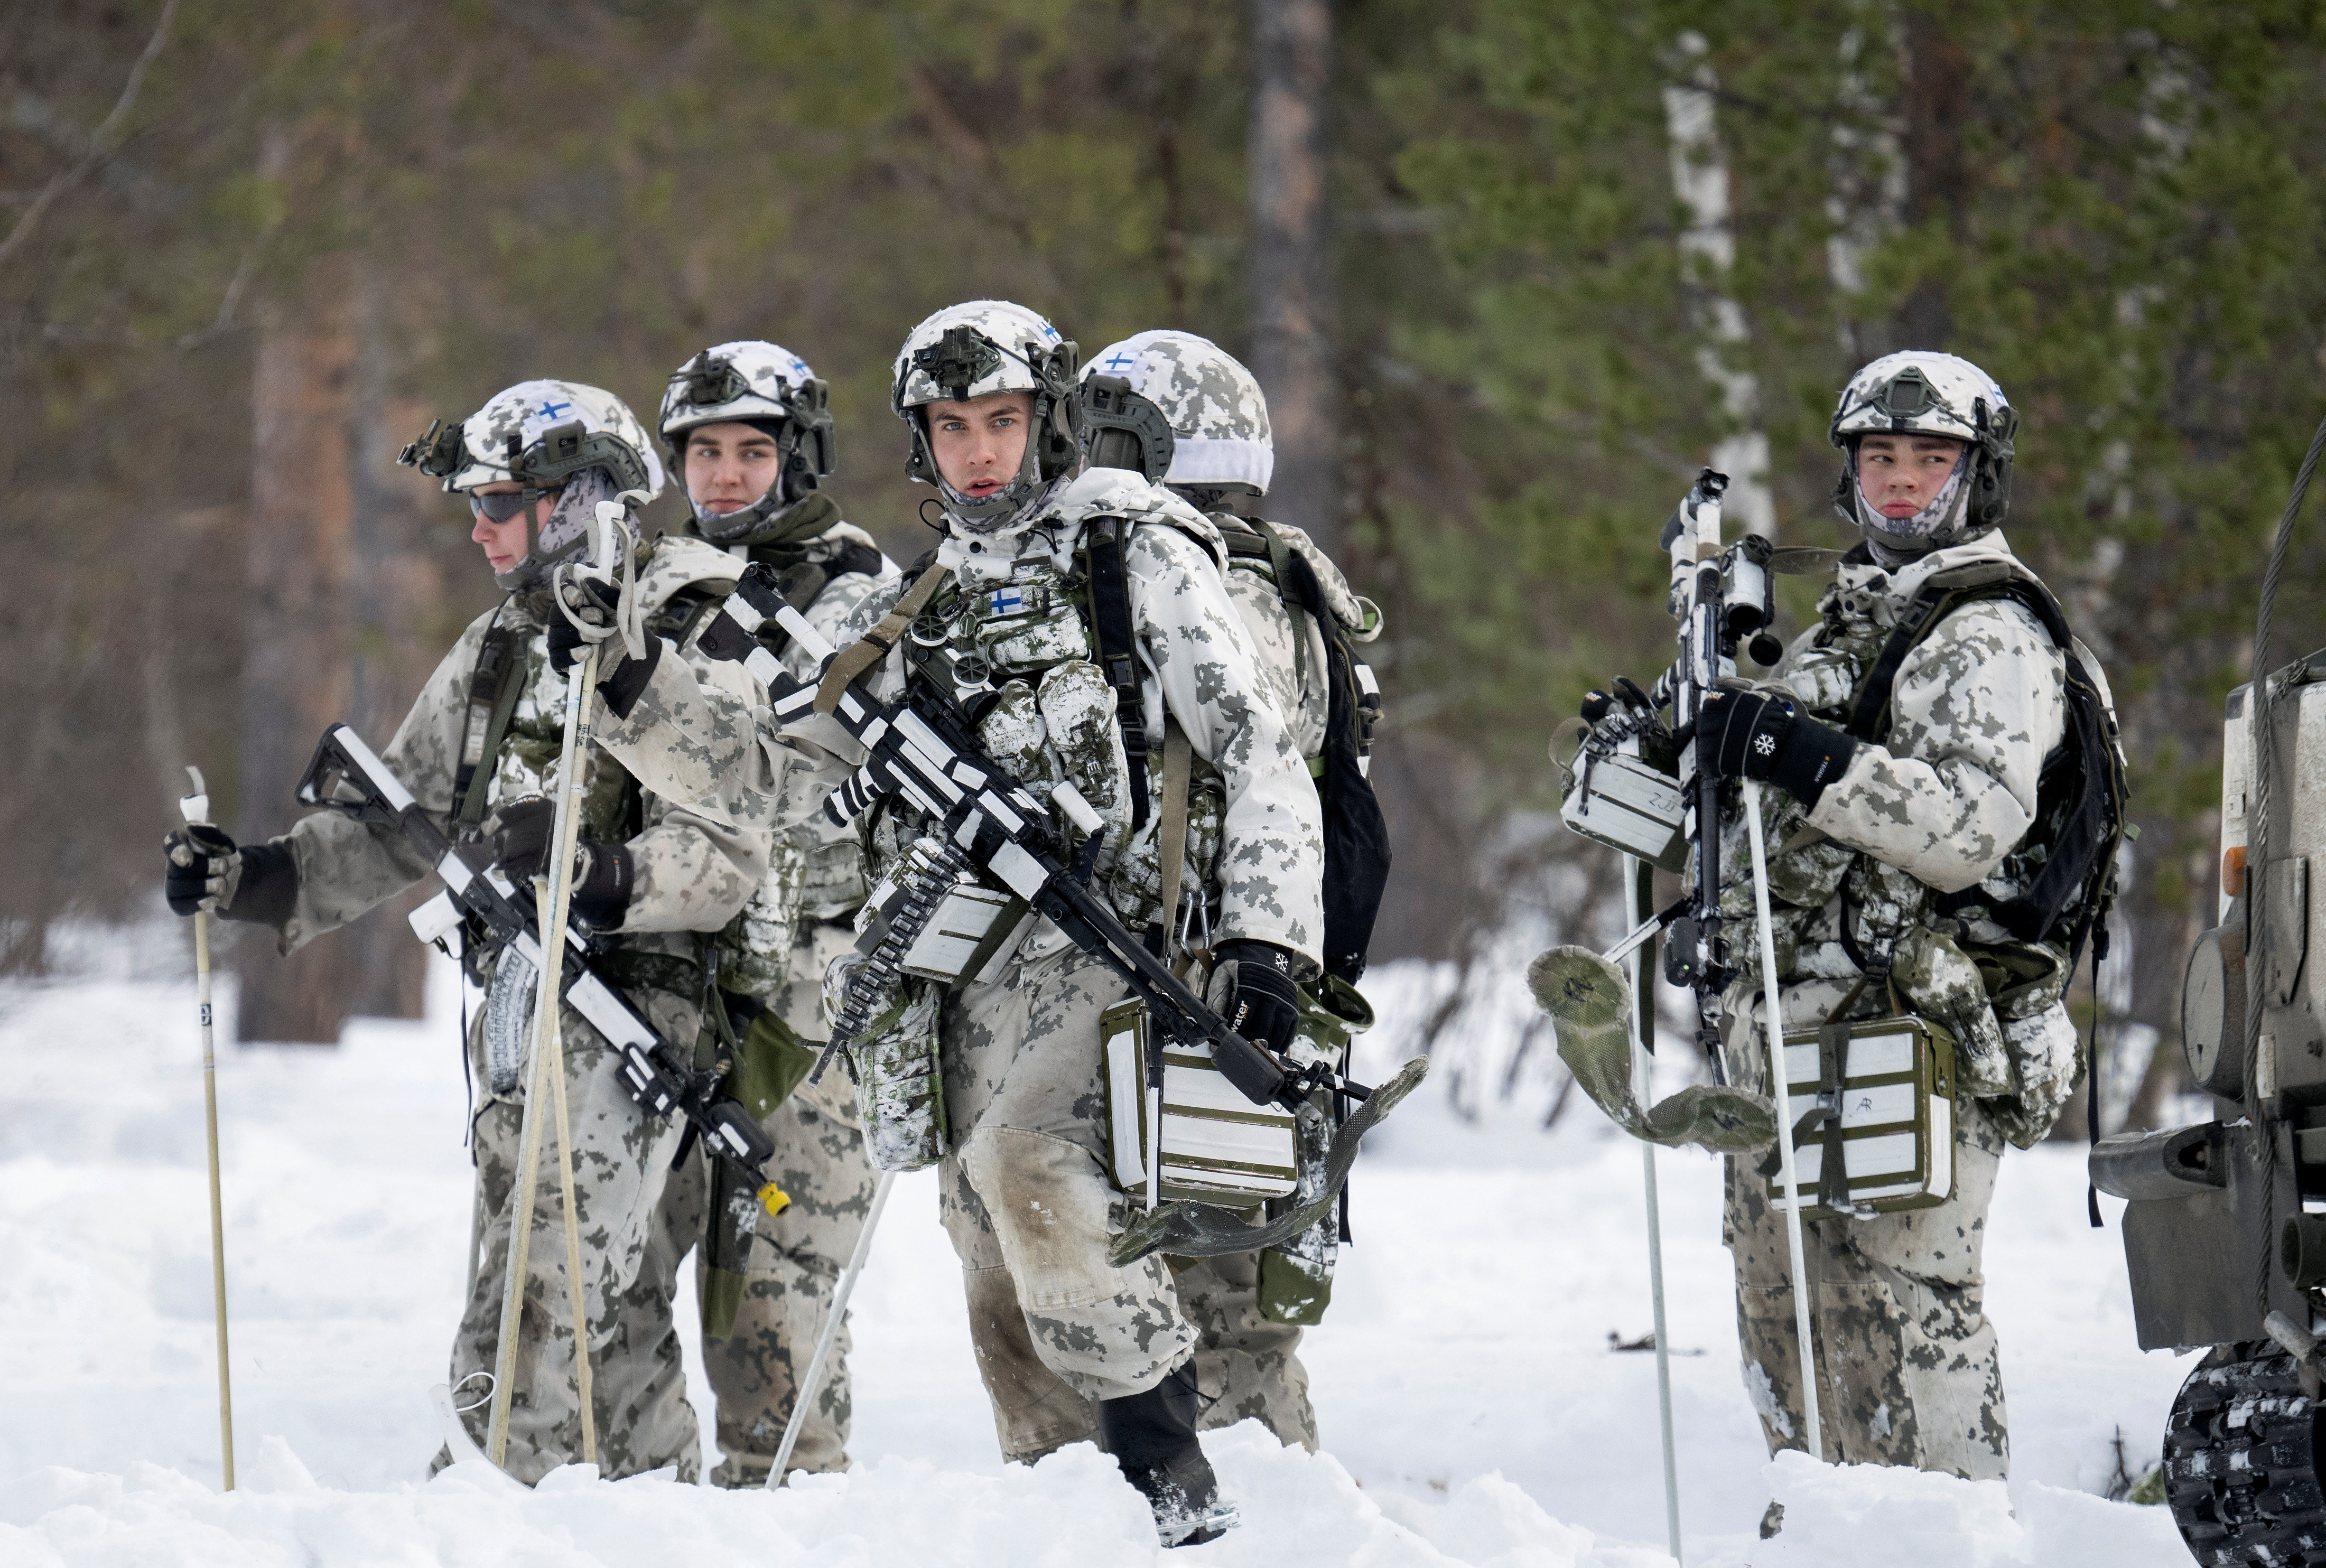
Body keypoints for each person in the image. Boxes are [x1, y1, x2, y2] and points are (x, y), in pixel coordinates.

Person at [163, 380, 769, 1483]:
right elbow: (407, 816)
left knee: (547, 1265)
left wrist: (597, 871)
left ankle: (483, 1504)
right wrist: (259, 879)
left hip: (647, 1000)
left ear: (578, 499)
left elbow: (735, 835)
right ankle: (657, 1521)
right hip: (515, 998)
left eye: (502, 501)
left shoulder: (688, 619)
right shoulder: (501, 644)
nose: (480, 526)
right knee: (597, 1295)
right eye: (476, 503)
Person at [1689, 350, 2118, 1518]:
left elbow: (1969, 825)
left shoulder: (1987, 627)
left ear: (1975, 477)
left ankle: (1950, 1533)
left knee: (1905, 1301)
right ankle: (1817, 1528)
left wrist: (1794, 753)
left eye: (1928, 460)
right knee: (1785, 1299)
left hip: (1919, 1034)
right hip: (1803, 1023)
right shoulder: (1860, 614)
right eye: (1878, 458)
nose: (1897, 483)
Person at [652, 341, 898, 1485]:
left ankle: (791, 1510)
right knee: (634, 1267)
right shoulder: (646, 584)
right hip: (662, 966)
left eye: (754, 449)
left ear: (799, 455)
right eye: (706, 450)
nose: (729, 474)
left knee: (779, 1283)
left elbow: (801, 761)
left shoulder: (863, 592)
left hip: (812, 985)